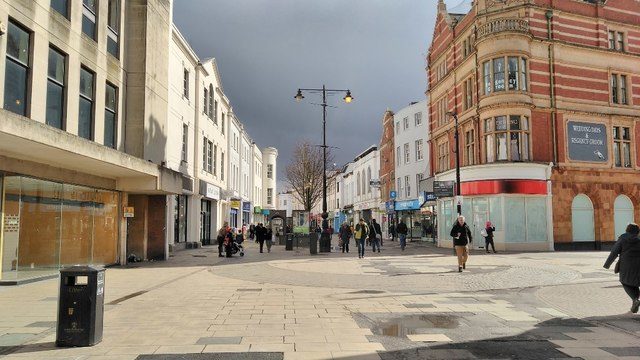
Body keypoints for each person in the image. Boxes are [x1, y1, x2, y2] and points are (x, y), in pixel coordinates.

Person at [604, 223, 640, 314]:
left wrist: (607, 264)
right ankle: (636, 300)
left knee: (625, 282)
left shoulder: (623, 239)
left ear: (627, 230)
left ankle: (635, 299)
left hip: (626, 266)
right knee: (636, 283)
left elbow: (614, 252)